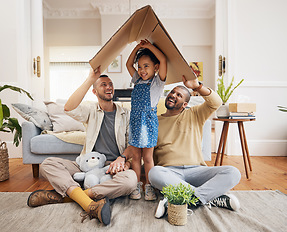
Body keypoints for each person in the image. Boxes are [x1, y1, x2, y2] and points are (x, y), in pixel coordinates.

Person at [27, 67, 137, 226]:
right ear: (94, 91)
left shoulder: (125, 114)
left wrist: (123, 159)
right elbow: (69, 108)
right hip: (86, 165)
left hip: (112, 167)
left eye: (110, 84)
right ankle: (89, 203)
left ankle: (70, 196)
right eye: (103, 85)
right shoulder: (91, 109)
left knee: (130, 182)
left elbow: (132, 144)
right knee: (47, 164)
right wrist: (90, 79)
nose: (108, 87)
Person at [149, 75, 242, 218]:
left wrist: (197, 86)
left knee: (233, 172)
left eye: (179, 95)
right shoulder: (154, 121)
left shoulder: (194, 114)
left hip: (197, 170)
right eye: (172, 92)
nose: (173, 95)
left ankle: (178, 199)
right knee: (154, 173)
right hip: (170, 173)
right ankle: (212, 198)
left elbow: (216, 102)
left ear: (185, 104)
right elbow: (149, 155)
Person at [126, 39, 167, 201]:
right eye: (140, 66)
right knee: (135, 157)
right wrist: (137, 47)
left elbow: (163, 59)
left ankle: (149, 186)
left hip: (148, 122)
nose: (142, 70)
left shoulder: (157, 82)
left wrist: (149, 46)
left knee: (148, 158)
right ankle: (136, 185)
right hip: (135, 121)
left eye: (146, 66)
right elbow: (128, 65)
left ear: (155, 68)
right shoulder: (137, 80)